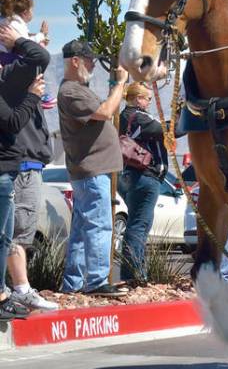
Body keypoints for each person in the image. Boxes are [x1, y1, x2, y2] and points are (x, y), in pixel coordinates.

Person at [57, 39, 129, 297]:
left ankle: (73, 283)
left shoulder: (78, 88)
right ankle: (97, 281)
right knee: (99, 225)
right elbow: (107, 111)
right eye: (89, 60)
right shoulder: (71, 92)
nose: (93, 64)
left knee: (80, 231)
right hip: (91, 172)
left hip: (90, 172)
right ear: (75, 61)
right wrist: (121, 83)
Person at [0, 19, 58, 312]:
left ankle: (15, 290)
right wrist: (22, 43)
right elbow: (12, 121)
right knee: (10, 233)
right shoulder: (11, 79)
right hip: (15, 165)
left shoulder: (14, 79)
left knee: (12, 233)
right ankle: (17, 289)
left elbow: (38, 57)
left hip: (23, 163)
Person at [117, 83, 167, 285]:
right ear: (137, 99)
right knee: (138, 225)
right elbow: (165, 129)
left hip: (131, 175)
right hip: (143, 175)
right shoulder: (136, 116)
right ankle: (133, 276)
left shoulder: (125, 116)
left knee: (138, 224)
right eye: (147, 98)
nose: (149, 102)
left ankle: (137, 272)